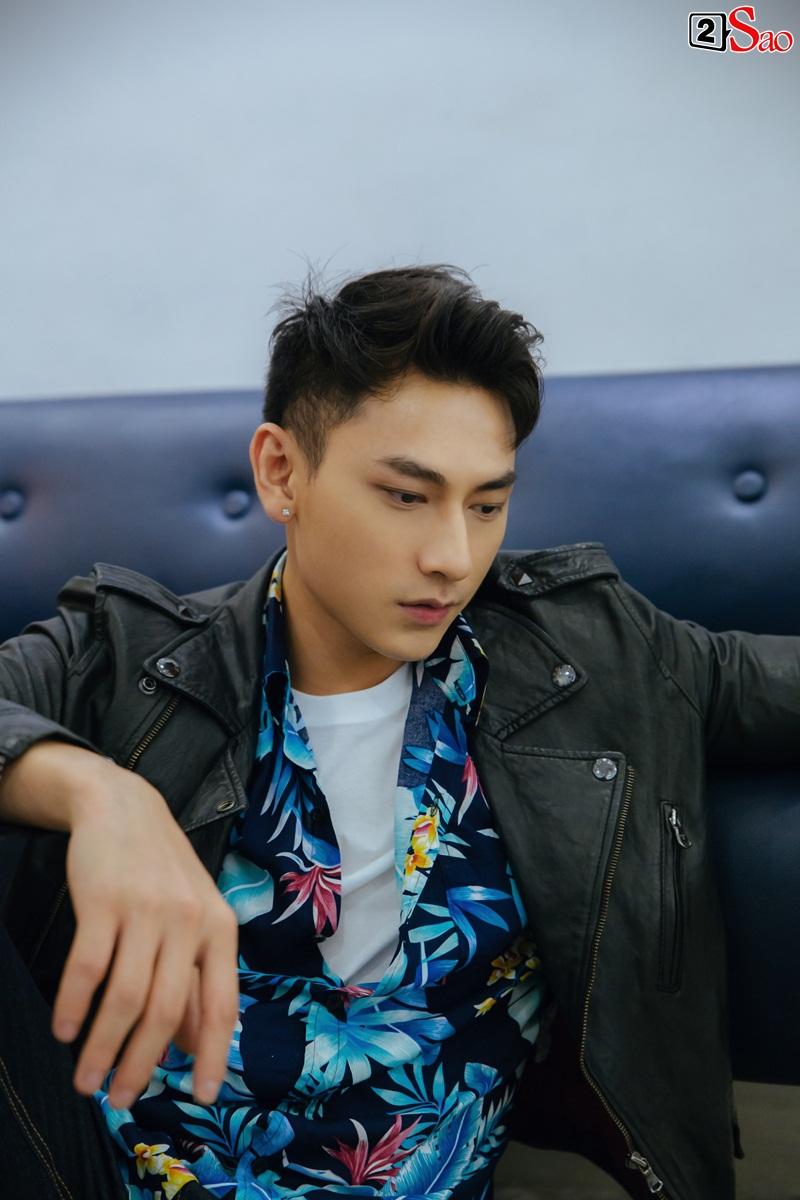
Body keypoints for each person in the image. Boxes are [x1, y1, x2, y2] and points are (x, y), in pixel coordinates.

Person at [0, 264, 796, 1200]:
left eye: (487, 504)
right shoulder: (126, 654)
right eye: (406, 496)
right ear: (281, 472)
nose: (452, 556)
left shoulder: (595, 653)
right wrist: (102, 795)